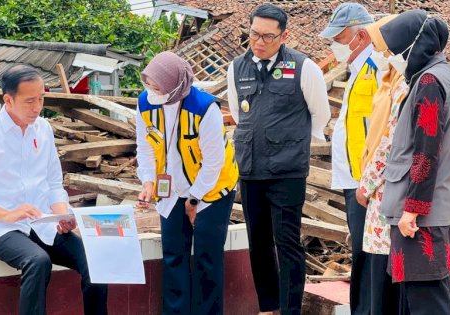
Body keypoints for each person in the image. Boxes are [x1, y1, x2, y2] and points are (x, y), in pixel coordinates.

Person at [0, 65, 108, 315]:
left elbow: (54, 183)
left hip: (44, 223)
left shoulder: (43, 129)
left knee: (96, 260)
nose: (37, 107)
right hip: (2, 229)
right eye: (30, 101)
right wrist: (8, 214)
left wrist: (62, 215)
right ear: (8, 100)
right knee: (38, 261)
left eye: (41, 99)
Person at [226, 3, 330, 314]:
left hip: (287, 170)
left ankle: (290, 309)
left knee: (286, 243)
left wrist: (290, 142)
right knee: (258, 243)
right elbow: (237, 111)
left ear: (284, 36)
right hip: (251, 167)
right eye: (254, 34)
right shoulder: (237, 67)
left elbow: (320, 114)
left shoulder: (303, 66)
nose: (259, 42)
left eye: (268, 37)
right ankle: (269, 306)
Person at [135, 51, 238, 315]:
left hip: (212, 189)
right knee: (173, 255)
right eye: (148, 85)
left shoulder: (205, 108)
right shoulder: (146, 103)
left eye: (157, 87)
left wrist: (194, 199)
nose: (151, 92)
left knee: (207, 257)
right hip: (172, 190)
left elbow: (213, 163)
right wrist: (147, 181)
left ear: (175, 85)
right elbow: (145, 148)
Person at [378, 9, 450, 314]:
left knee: (428, 302)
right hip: (431, 209)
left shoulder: (429, 81)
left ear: (414, 46)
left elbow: (426, 151)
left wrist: (412, 210)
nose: (393, 56)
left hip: (420, 216)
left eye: (396, 50)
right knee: (424, 298)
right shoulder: (445, 75)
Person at [320, 3, 381, 314]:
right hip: (354, 179)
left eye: (340, 38)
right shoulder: (360, 69)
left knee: (370, 256)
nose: (336, 46)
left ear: (360, 35)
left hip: (367, 181)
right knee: (361, 254)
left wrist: (368, 179)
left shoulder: (380, 68)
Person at [355, 14, 407, 315]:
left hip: (388, 191)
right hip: (377, 191)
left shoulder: (402, 87)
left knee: (387, 277)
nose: (377, 52)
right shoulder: (387, 82)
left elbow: (390, 143)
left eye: (380, 45)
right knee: (379, 271)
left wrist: (367, 182)